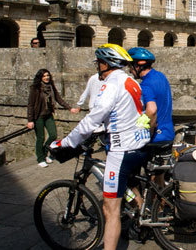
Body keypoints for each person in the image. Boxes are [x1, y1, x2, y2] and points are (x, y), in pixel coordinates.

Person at [51, 44, 151, 250]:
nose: (97, 67)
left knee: (110, 209)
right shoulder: (131, 81)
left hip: (121, 150)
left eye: (98, 62)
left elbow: (93, 118)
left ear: (105, 63)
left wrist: (66, 142)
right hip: (139, 145)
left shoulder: (111, 84)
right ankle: (142, 217)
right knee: (129, 186)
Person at [27, 69, 76, 167]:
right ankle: (40, 158)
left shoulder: (51, 87)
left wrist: (70, 108)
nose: (46, 77)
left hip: (48, 115)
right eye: (44, 76)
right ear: (40, 77)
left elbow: (58, 98)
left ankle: (45, 152)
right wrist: (30, 120)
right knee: (40, 138)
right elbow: (31, 105)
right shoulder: (35, 88)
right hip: (38, 116)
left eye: (48, 75)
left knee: (53, 135)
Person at [128, 47, 174, 143]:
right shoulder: (161, 76)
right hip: (168, 133)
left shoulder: (146, 85)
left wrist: (149, 133)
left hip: (157, 137)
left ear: (138, 65)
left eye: (131, 67)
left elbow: (152, 110)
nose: (130, 71)